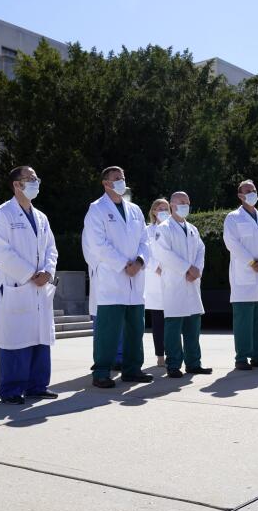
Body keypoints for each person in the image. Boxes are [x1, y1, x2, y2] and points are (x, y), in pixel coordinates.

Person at [0, 166, 59, 404]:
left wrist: (47, 272)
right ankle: (10, 389)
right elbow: (0, 251)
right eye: (30, 179)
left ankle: (37, 386)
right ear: (16, 185)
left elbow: (51, 249)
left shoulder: (41, 217)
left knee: (40, 338)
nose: (35, 182)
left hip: (40, 286)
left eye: (36, 178)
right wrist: (30, 273)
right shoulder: (2, 214)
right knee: (16, 339)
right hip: (18, 283)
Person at [81, 166, 153, 388]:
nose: (121, 181)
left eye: (123, 177)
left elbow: (145, 241)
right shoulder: (97, 209)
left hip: (135, 278)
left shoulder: (135, 210)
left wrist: (140, 261)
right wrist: (124, 264)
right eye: (116, 178)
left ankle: (132, 369)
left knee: (135, 328)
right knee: (108, 330)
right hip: (112, 279)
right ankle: (102, 372)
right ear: (105, 183)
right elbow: (98, 244)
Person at [154, 191, 212, 378]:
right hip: (175, 283)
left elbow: (201, 250)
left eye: (187, 202)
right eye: (181, 202)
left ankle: (194, 363)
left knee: (193, 327)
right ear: (172, 204)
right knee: (173, 327)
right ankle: (173, 365)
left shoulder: (193, 229)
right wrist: (187, 268)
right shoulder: (163, 228)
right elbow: (164, 254)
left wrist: (196, 270)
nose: (185, 205)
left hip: (192, 283)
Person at [223, 179, 258, 371]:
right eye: (247, 191)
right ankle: (242, 358)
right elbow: (232, 243)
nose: (252, 193)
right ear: (240, 196)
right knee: (244, 320)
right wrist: (253, 262)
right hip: (245, 274)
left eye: (253, 190)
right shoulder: (233, 218)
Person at [144, 198, 170, 367]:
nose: (163, 211)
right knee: (159, 322)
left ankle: (173, 353)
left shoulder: (174, 229)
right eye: (159, 208)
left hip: (173, 279)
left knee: (173, 321)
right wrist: (157, 268)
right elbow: (145, 252)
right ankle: (160, 355)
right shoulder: (147, 231)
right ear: (153, 211)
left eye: (166, 208)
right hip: (155, 280)